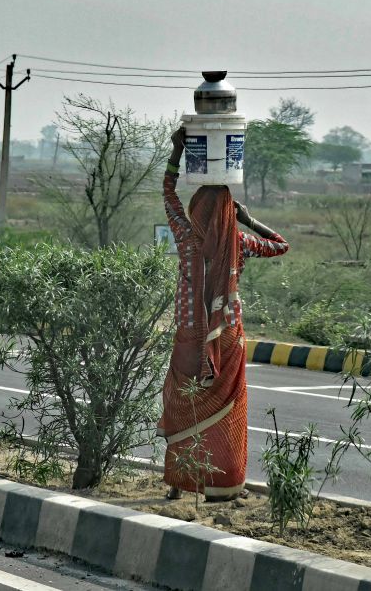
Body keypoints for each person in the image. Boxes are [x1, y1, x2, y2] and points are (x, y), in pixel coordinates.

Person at [159, 127, 289, 501]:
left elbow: (168, 195)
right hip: (227, 336)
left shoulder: (186, 238)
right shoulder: (240, 241)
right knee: (226, 410)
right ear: (230, 214)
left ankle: (179, 483)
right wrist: (247, 220)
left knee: (185, 405)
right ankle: (224, 485)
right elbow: (281, 245)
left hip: (189, 332)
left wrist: (177, 152)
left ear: (196, 212)